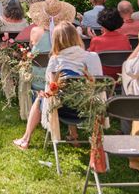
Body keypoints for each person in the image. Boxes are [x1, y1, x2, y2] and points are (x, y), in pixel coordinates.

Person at [13, 21, 102, 149]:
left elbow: (50, 87)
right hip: (88, 108)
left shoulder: (56, 60)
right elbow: (98, 85)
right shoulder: (92, 57)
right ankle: (73, 135)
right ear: (76, 36)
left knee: (42, 97)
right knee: (73, 92)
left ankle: (26, 139)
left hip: (61, 108)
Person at [27, 0, 77, 92]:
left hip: (38, 81)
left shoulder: (35, 31)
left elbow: (31, 48)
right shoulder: (67, 33)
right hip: (61, 81)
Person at [89, 7, 131, 78]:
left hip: (103, 78)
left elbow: (90, 57)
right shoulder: (125, 38)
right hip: (121, 76)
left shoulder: (96, 40)